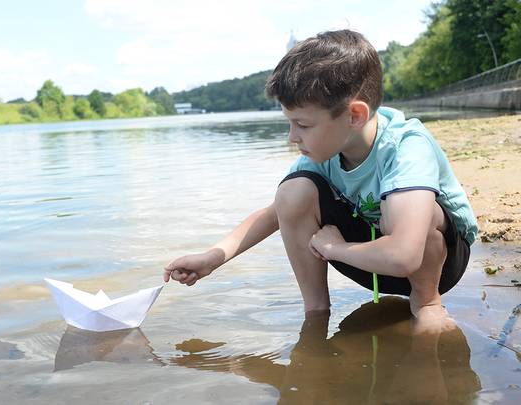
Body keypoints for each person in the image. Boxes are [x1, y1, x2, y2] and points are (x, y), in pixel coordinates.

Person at [162, 29, 477, 332]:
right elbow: (276, 213)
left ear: (354, 116)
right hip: (369, 257)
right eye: (289, 123)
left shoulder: (406, 146)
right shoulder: (326, 151)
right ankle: (315, 314)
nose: (291, 137)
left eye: (301, 124)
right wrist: (213, 258)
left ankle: (427, 303)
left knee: (413, 210)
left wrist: (335, 249)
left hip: (435, 261)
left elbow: (404, 255)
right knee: (293, 191)